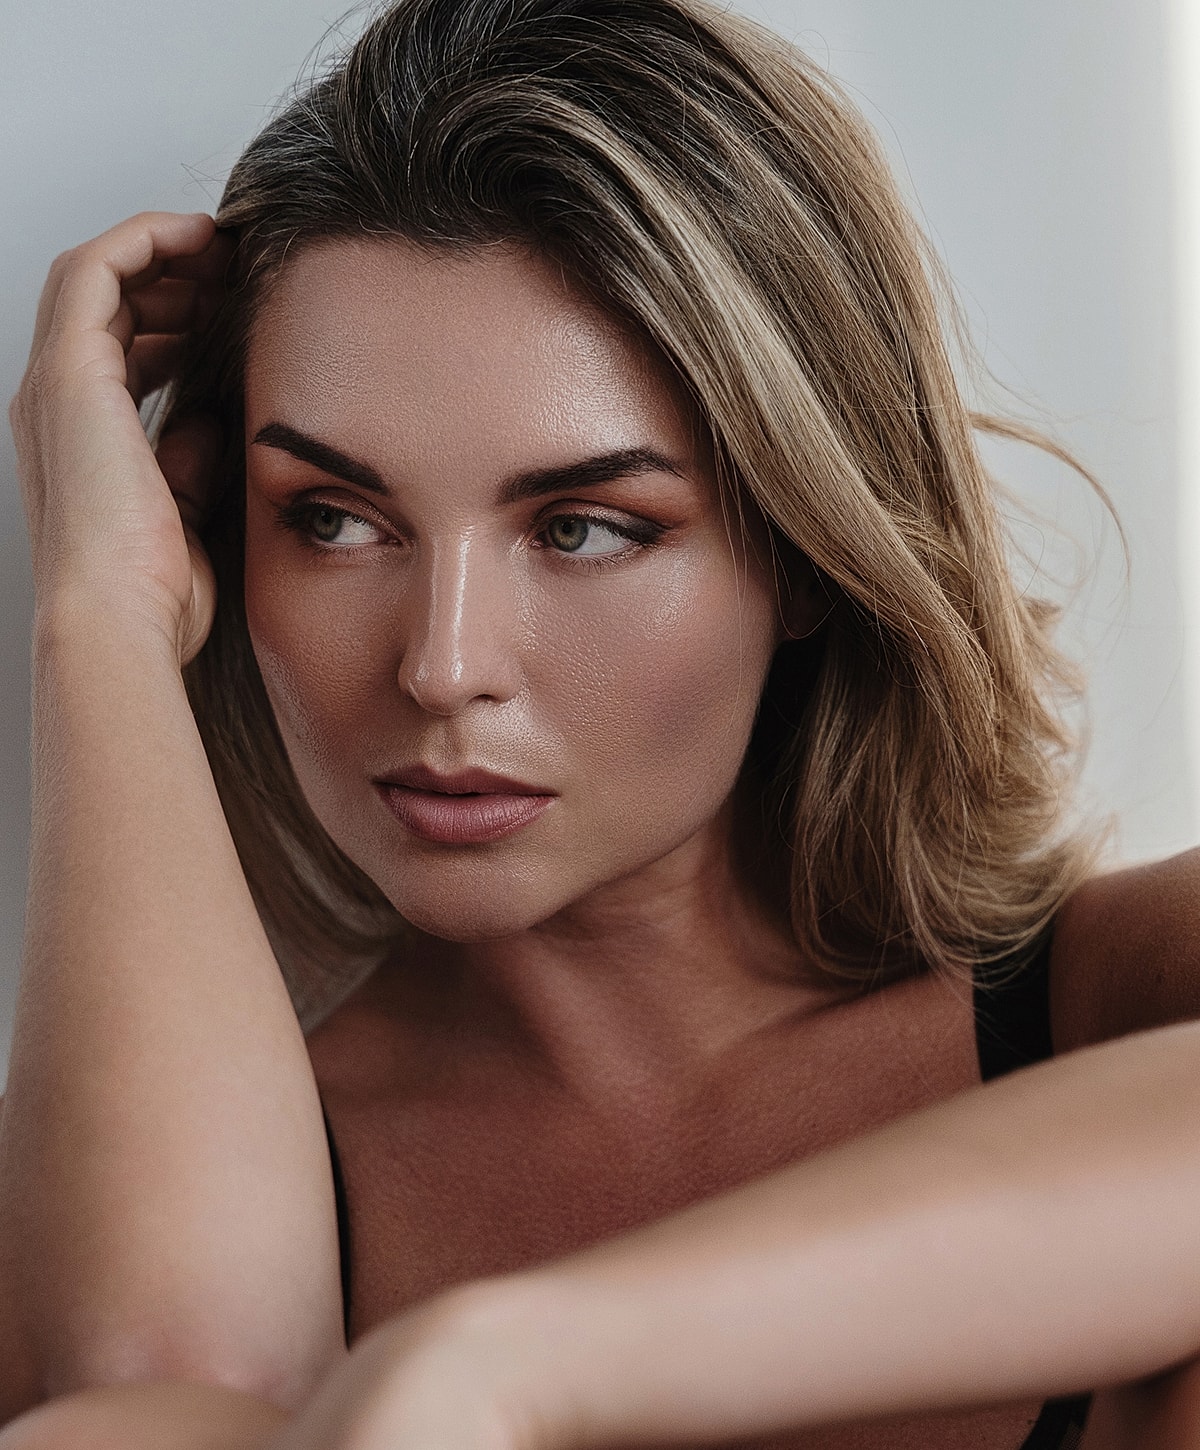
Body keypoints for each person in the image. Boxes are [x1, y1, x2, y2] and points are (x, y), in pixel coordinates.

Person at [3, 0, 1200, 1447]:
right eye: (332, 519)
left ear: (806, 552)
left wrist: (510, 1365)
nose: (442, 667)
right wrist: (100, 617)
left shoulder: (1112, 999)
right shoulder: (167, 1199)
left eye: (581, 526)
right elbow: (170, 1402)